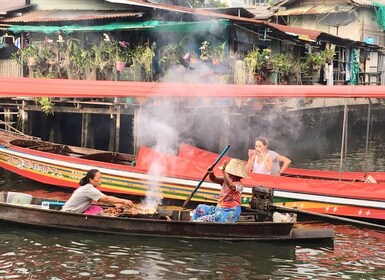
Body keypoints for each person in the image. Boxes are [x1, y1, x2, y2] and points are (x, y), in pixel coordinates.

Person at [191, 158, 248, 223]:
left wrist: (224, 172)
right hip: (219, 209)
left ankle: (195, 224)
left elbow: (231, 186)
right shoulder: (224, 179)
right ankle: (192, 223)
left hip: (229, 211)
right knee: (200, 207)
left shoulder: (239, 185)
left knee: (202, 220)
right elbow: (213, 178)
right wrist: (211, 173)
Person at [61, 169, 134, 215]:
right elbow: (106, 199)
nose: (100, 180)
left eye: (101, 178)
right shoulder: (89, 189)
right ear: (91, 179)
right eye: (98, 178)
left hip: (73, 210)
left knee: (97, 209)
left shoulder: (88, 187)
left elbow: (102, 198)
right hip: (68, 213)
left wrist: (116, 203)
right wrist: (124, 201)